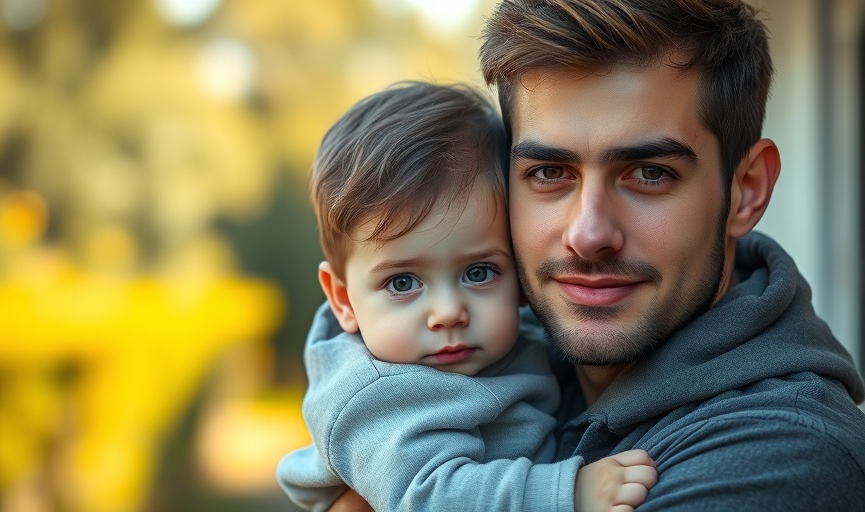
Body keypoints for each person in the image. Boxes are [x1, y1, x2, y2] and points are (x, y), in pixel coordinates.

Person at [326, 0, 865, 510]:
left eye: (650, 174)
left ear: (745, 190)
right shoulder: (496, 347)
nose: (588, 235)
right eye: (549, 173)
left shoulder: (779, 457)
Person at [275, 81, 658, 512]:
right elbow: (428, 497)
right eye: (403, 283)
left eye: (479, 273)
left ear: (519, 273)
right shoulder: (376, 396)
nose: (448, 313)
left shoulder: (519, 340)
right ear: (343, 300)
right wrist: (564, 493)